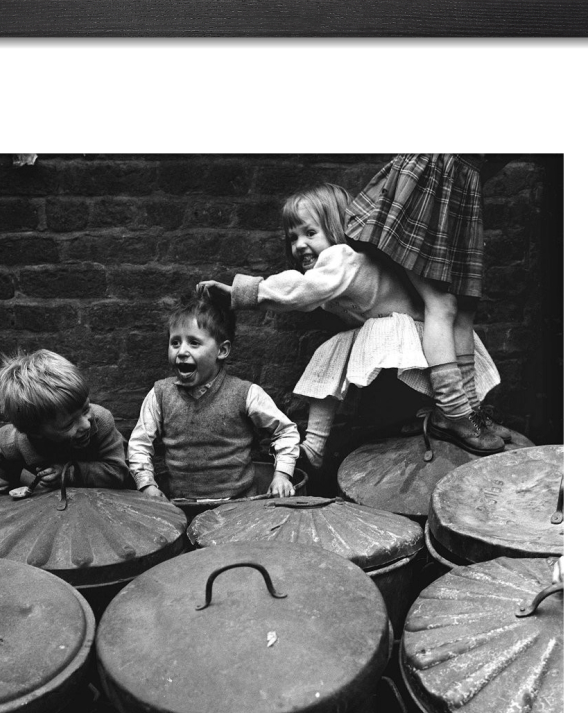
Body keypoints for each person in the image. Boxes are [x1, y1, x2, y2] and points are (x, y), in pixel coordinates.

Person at [199, 183, 502, 466]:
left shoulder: (341, 258)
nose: (300, 245)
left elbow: (301, 289)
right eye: (293, 238)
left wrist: (243, 293)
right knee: (329, 352)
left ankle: (445, 415)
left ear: (334, 228)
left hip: (418, 336)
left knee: (344, 348)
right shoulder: (334, 267)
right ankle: (314, 446)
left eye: (310, 233)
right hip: (401, 335)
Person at [346, 155, 513, 448]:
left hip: (464, 183)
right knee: (442, 304)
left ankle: (470, 409)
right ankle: (452, 411)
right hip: (435, 175)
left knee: (464, 311)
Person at [127, 288, 300, 500]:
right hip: (183, 506)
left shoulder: (245, 394)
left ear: (222, 350)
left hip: (240, 505)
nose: (181, 351)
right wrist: (146, 485)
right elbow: (139, 445)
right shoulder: (160, 395)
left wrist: (282, 475)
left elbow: (285, 431)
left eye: (194, 343)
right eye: (175, 342)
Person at [0, 349, 130, 495]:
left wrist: (69, 473)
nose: (86, 425)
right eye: (68, 424)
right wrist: (4, 475)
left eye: (85, 409)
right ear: (35, 432)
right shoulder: (13, 442)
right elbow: (2, 444)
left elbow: (118, 473)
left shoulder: (101, 421)